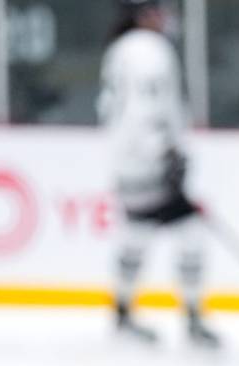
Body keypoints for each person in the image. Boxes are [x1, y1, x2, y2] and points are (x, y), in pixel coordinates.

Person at [97, 0, 218, 347]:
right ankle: (193, 319)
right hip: (149, 163)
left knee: (136, 233)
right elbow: (145, 108)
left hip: (126, 162)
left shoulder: (121, 48)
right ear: (143, 14)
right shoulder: (148, 50)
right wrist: (164, 153)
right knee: (191, 233)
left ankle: (122, 314)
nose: (166, 17)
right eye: (160, 10)